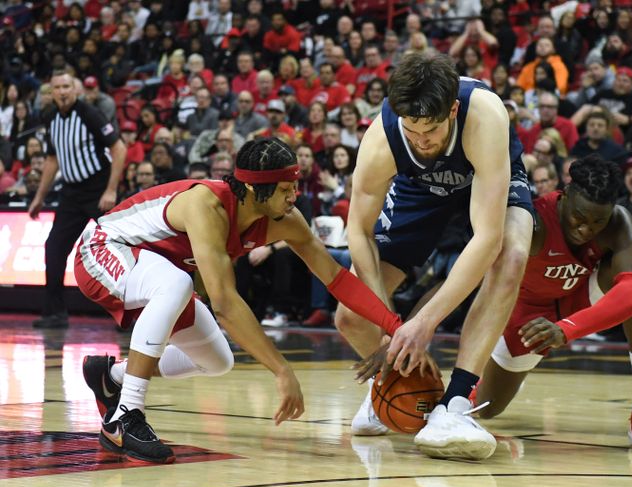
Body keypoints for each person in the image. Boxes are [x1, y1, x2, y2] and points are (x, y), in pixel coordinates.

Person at [77, 138, 409, 463]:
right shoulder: (206, 206)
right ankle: (125, 417)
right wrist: (281, 370)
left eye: (295, 186)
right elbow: (224, 303)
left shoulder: (287, 220)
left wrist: (394, 325)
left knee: (217, 360)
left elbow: (336, 279)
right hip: (102, 248)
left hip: (156, 271)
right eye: (284, 189)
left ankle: (112, 377)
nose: (294, 196)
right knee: (176, 284)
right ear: (253, 189)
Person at [340, 52, 534, 460]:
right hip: (418, 188)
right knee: (350, 314)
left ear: (453, 109)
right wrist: (390, 323)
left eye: (430, 131)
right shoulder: (383, 138)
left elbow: (487, 239)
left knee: (512, 255)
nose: (421, 141)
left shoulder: (485, 117)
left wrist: (424, 322)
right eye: (412, 131)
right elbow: (357, 230)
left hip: (484, 177)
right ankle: (399, 390)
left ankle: (456, 404)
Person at [462, 155, 632, 452]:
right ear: (566, 195)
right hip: (528, 318)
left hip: (577, 302)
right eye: (579, 218)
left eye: (597, 221)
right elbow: (478, 280)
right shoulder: (532, 222)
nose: (587, 229)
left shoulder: (616, 223)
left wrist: (566, 329)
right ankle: (497, 377)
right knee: (487, 408)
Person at [29, 71, 126, 329]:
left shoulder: (89, 113)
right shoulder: (50, 117)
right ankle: (55, 313)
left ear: (75, 90)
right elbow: (52, 159)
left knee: (119, 248)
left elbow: (119, 148)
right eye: (57, 87)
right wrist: (39, 197)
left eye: (66, 87)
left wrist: (110, 190)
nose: (62, 92)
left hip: (98, 187)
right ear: (51, 92)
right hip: (71, 192)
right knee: (54, 248)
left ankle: (130, 311)